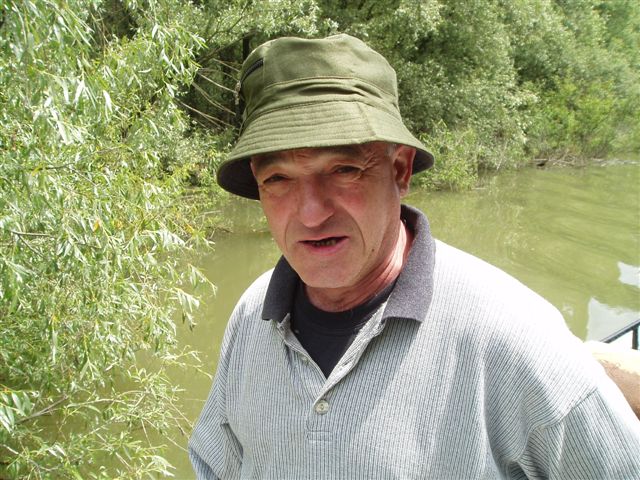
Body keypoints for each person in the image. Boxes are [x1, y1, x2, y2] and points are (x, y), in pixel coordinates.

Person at [189, 34, 640, 479]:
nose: (311, 213)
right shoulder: (252, 315)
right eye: (279, 179)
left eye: (344, 170)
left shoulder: (516, 339)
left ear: (400, 170)